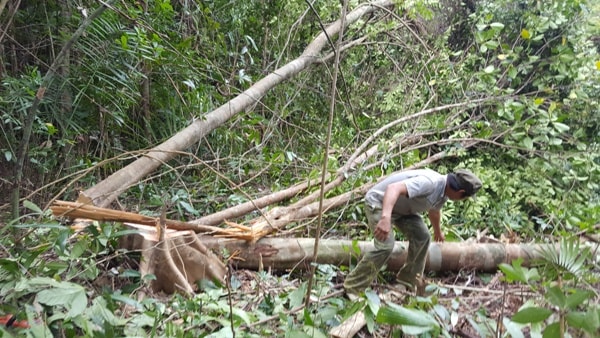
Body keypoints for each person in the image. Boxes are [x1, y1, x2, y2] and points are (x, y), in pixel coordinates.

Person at [343, 168, 482, 296]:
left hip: (402, 211)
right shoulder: (430, 183)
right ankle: (353, 287)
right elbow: (393, 189)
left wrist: (438, 232)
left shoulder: (444, 193)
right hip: (379, 203)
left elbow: (434, 211)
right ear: (461, 193)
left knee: (423, 237)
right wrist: (385, 218)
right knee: (386, 246)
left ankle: (407, 281)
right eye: (465, 197)